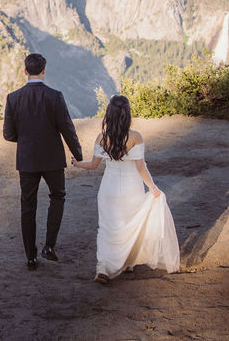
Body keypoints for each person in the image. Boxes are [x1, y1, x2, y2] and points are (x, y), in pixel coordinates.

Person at [72, 94, 180, 283]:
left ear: (109, 114)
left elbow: (94, 165)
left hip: (108, 190)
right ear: (127, 114)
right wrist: (152, 188)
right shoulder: (136, 137)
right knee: (130, 225)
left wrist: (77, 164)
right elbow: (140, 167)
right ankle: (128, 262)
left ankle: (104, 268)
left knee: (107, 228)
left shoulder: (101, 138)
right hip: (132, 189)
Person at [3, 52, 84, 271]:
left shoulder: (13, 98)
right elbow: (67, 128)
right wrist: (77, 154)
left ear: (25, 71)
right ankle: (49, 246)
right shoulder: (55, 96)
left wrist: (28, 138)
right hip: (53, 159)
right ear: (44, 70)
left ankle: (31, 257)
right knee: (57, 197)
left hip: (27, 160)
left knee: (27, 206)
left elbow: (8, 135)